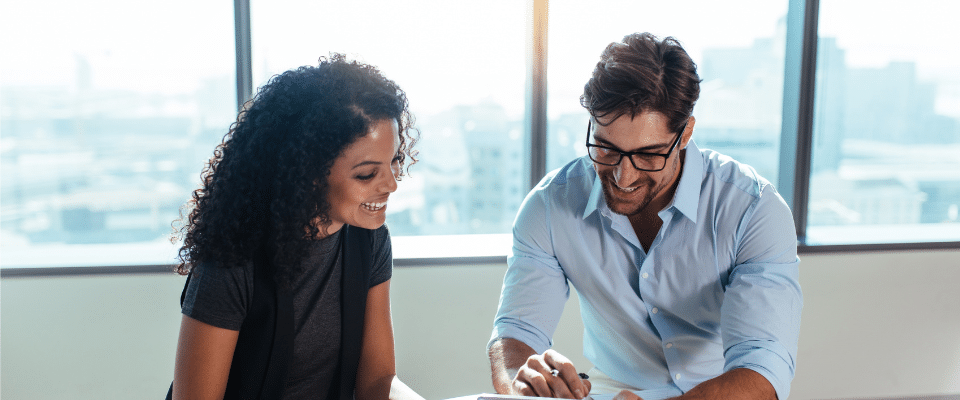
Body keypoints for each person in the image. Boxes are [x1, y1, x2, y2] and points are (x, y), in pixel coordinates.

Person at [488, 33, 803, 400]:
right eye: (605, 148)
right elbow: (515, 333)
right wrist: (524, 379)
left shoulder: (752, 209)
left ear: (685, 134)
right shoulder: (548, 205)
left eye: (648, 155)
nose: (624, 177)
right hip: (610, 391)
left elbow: (762, 370)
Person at [169, 54, 424, 400]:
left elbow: (377, 380)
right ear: (308, 171)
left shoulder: (370, 239)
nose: (391, 185)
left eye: (394, 162)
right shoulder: (231, 262)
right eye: (367, 174)